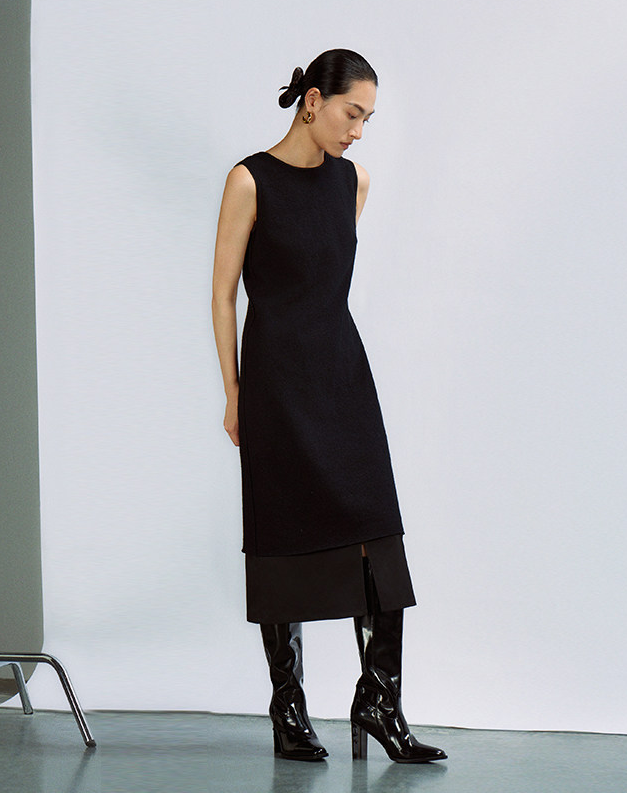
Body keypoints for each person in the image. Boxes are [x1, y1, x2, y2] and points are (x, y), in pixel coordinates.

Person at [211, 48, 446, 764]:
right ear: (312, 101)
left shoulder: (353, 181)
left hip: (343, 376)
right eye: (352, 113)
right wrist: (233, 393)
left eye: (368, 118)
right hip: (276, 382)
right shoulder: (249, 180)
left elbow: (324, 285)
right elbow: (223, 293)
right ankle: (288, 709)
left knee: (378, 532)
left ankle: (379, 700)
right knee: (281, 532)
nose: (359, 131)